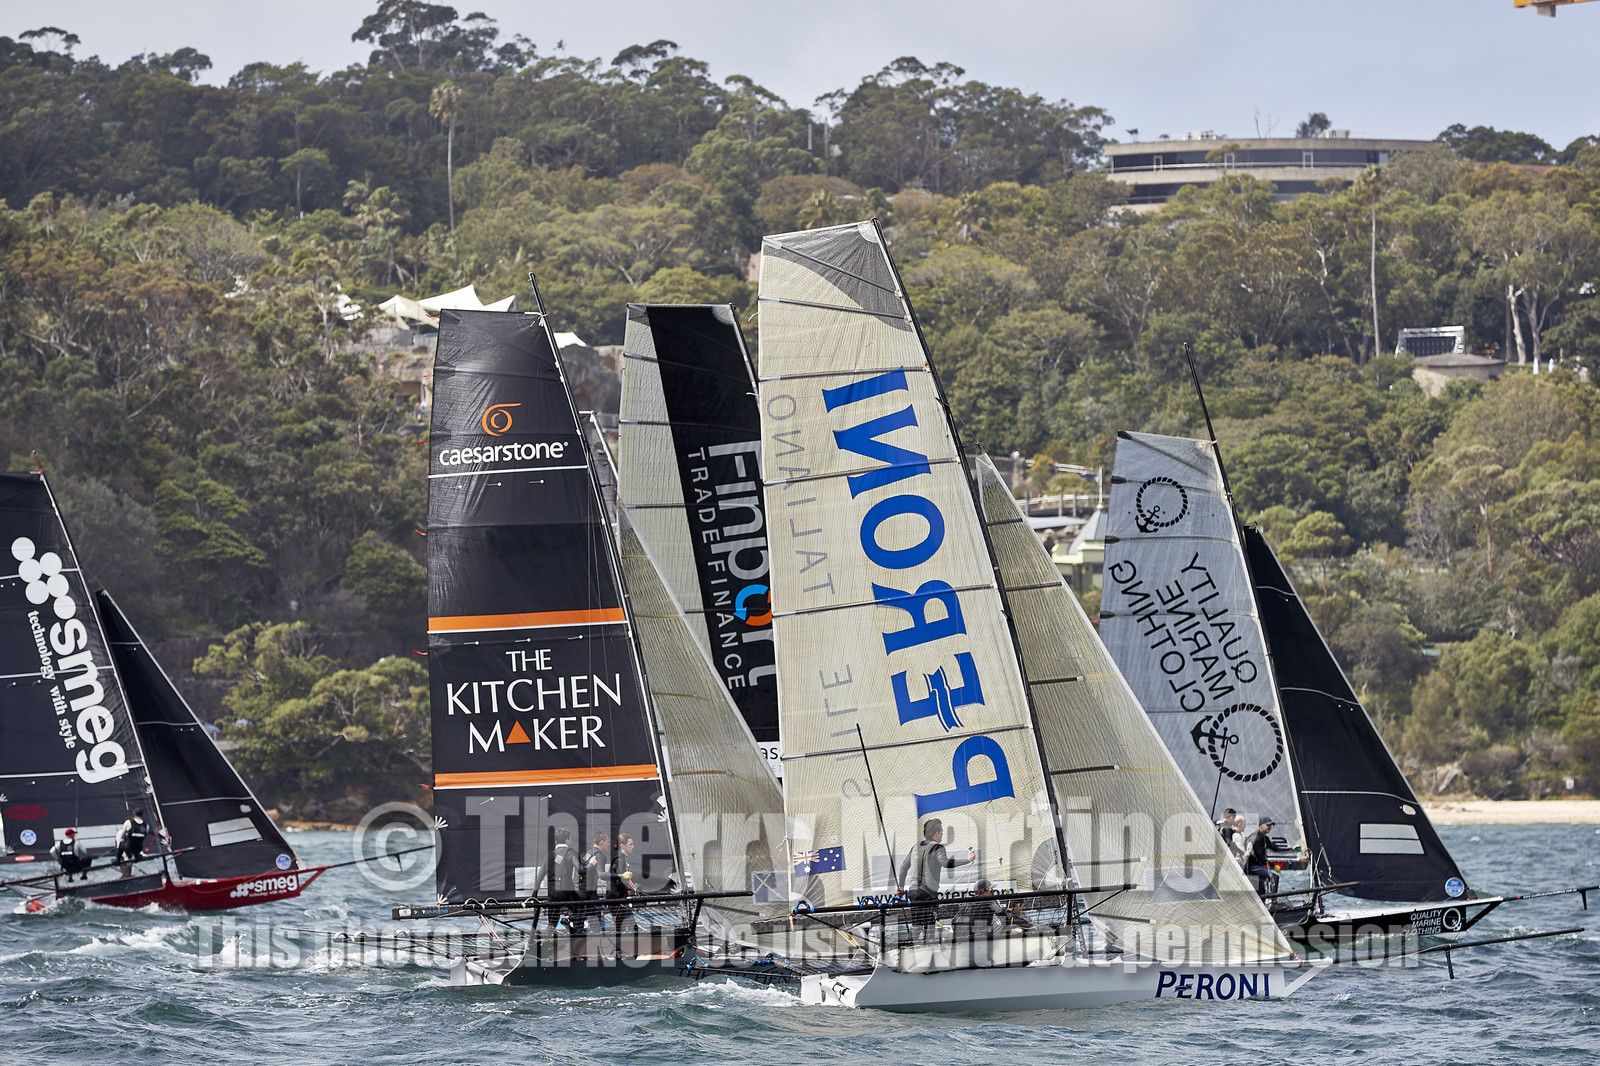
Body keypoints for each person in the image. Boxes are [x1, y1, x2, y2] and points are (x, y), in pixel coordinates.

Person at [896, 818, 976, 940]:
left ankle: (907, 949)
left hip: (913, 892)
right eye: (942, 831)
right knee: (930, 928)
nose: (943, 834)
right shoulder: (938, 848)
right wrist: (967, 860)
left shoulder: (915, 847)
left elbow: (903, 868)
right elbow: (946, 863)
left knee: (916, 927)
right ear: (936, 834)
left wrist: (900, 887)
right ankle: (929, 953)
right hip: (928, 894)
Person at [545, 828, 584, 932]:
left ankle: (547, 942)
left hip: (552, 893)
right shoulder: (571, 852)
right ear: (567, 840)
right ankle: (572, 927)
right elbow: (581, 869)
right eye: (570, 839)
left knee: (552, 922)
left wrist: (534, 893)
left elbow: (540, 875)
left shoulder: (549, 854)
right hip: (566, 890)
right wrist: (591, 865)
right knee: (581, 907)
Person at [607, 833, 637, 932]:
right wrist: (633, 887)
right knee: (627, 926)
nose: (633, 847)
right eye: (630, 844)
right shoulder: (620, 860)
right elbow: (620, 881)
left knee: (622, 927)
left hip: (619, 899)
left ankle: (621, 947)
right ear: (622, 846)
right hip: (616, 900)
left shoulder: (623, 859)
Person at [1245, 818, 1281, 898]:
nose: (1269, 827)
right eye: (1267, 825)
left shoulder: (1264, 838)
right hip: (1251, 868)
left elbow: (1276, 849)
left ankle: (1265, 906)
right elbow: (1260, 857)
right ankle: (1273, 901)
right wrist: (1273, 866)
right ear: (1260, 825)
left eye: (1270, 825)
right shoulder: (1256, 838)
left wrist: (1292, 849)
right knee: (1274, 877)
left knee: (1261, 893)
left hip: (1258, 867)